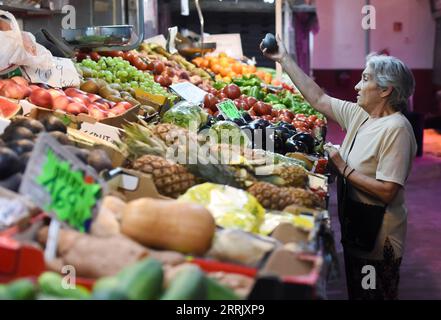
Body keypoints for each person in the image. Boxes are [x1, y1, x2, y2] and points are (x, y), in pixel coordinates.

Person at [261, 36, 417, 300]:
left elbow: (388, 191)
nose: (357, 85)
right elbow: (319, 98)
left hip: (379, 239)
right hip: (358, 228)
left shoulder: (397, 129)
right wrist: (284, 59)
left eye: (365, 79)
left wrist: (342, 167)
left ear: (385, 90)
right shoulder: (362, 114)